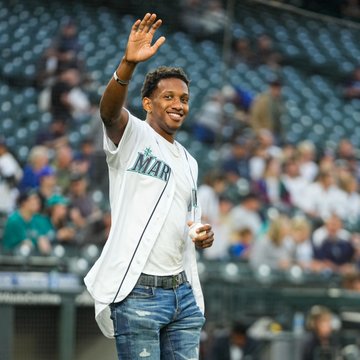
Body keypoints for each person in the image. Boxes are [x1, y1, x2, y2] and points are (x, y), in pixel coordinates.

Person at [83, 13, 214, 360]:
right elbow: (109, 112)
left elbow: (189, 221)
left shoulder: (189, 161)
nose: (178, 105)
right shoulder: (133, 135)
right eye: (168, 97)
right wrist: (127, 65)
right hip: (139, 291)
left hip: (182, 292)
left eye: (183, 99)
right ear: (147, 103)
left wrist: (200, 235)